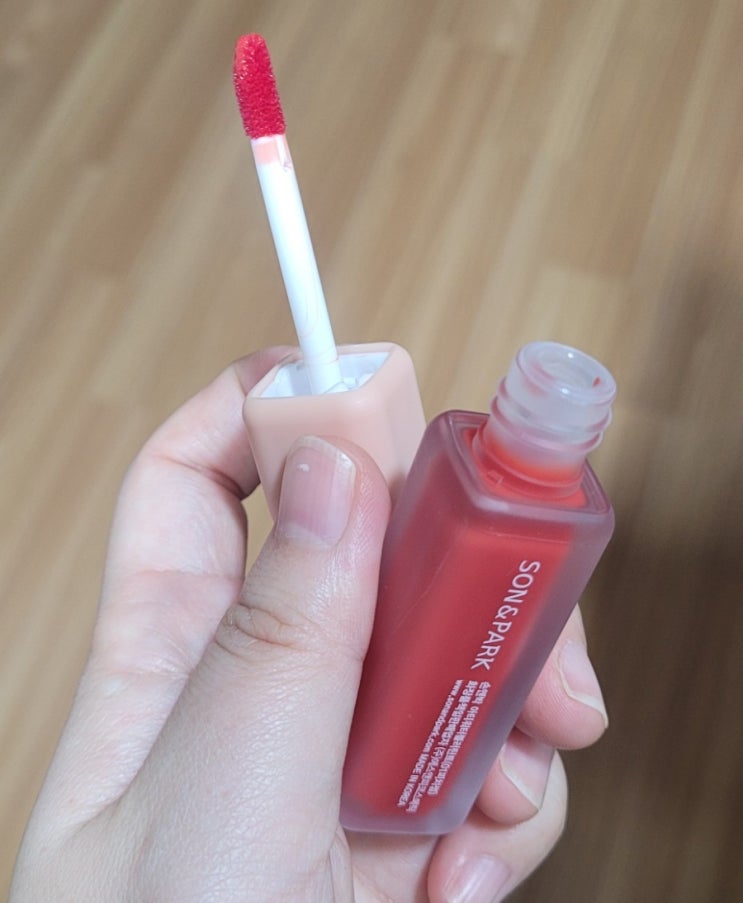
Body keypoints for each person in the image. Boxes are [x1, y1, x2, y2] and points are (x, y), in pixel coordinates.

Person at [10, 348, 609, 902]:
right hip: (353, 779)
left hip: (373, 794)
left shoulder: (575, 514)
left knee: (502, 668)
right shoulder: (461, 455)